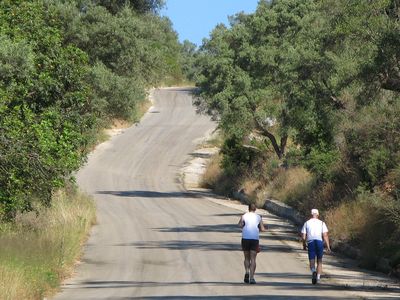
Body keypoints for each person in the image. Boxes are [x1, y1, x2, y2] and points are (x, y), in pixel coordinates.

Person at [301, 208, 331, 284]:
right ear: (318, 215)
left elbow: (303, 236)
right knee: (319, 261)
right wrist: (328, 246)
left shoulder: (307, 223)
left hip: (310, 242)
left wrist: (304, 245)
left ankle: (313, 271)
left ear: (311, 214)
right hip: (319, 242)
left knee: (311, 260)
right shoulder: (322, 223)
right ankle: (318, 278)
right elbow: (325, 235)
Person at [238, 203, 266, 284]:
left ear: (248, 208)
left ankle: (247, 272)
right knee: (253, 259)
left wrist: (243, 225)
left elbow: (239, 225)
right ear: (255, 209)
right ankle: (252, 278)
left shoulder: (244, 216)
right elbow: (262, 229)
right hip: (254, 239)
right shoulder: (259, 217)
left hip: (245, 238)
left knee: (246, 257)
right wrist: (263, 229)